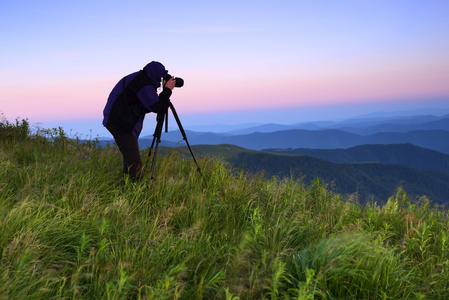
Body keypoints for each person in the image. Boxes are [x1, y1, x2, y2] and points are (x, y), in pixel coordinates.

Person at [103, 61, 176, 180]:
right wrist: (167, 90)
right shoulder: (143, 83)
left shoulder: (141, 79)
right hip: (120, 123)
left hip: (118, 120)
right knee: (134, 162)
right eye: (161, 76)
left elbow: (147, 104)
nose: (161, 80)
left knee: (130, 157)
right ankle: (133, 190)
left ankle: (127, 184)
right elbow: (156, 106)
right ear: (155, 74)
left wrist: (164, 93)